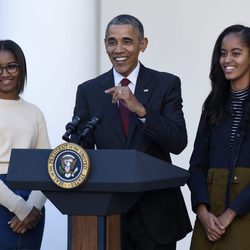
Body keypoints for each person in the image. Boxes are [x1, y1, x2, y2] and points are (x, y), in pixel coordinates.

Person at [71, 14, 191, 250]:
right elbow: (82, 150)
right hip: (109, 212)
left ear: (142, 44)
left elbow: (178, 142)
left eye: (127, 41)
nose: (118, 49)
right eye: (111, 42)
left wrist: (141, 110)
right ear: (105, 44)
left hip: (156, 213)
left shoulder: (166, 84)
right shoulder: (89, 91)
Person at [188, 24, 250, 250]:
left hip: (244, 215)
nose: (227, 60)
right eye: (223, 53)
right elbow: (196, 165)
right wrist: (203, 213)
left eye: (236, 53)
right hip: (209, 219)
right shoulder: (213, 105)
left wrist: (230, 213)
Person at [0, 40, 50, 249]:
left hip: (33, 200)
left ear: (21, 67)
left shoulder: (34, 111)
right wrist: (18, 206)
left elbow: (48, 164)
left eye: (11, 66)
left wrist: (33, 206)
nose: (5, 73)